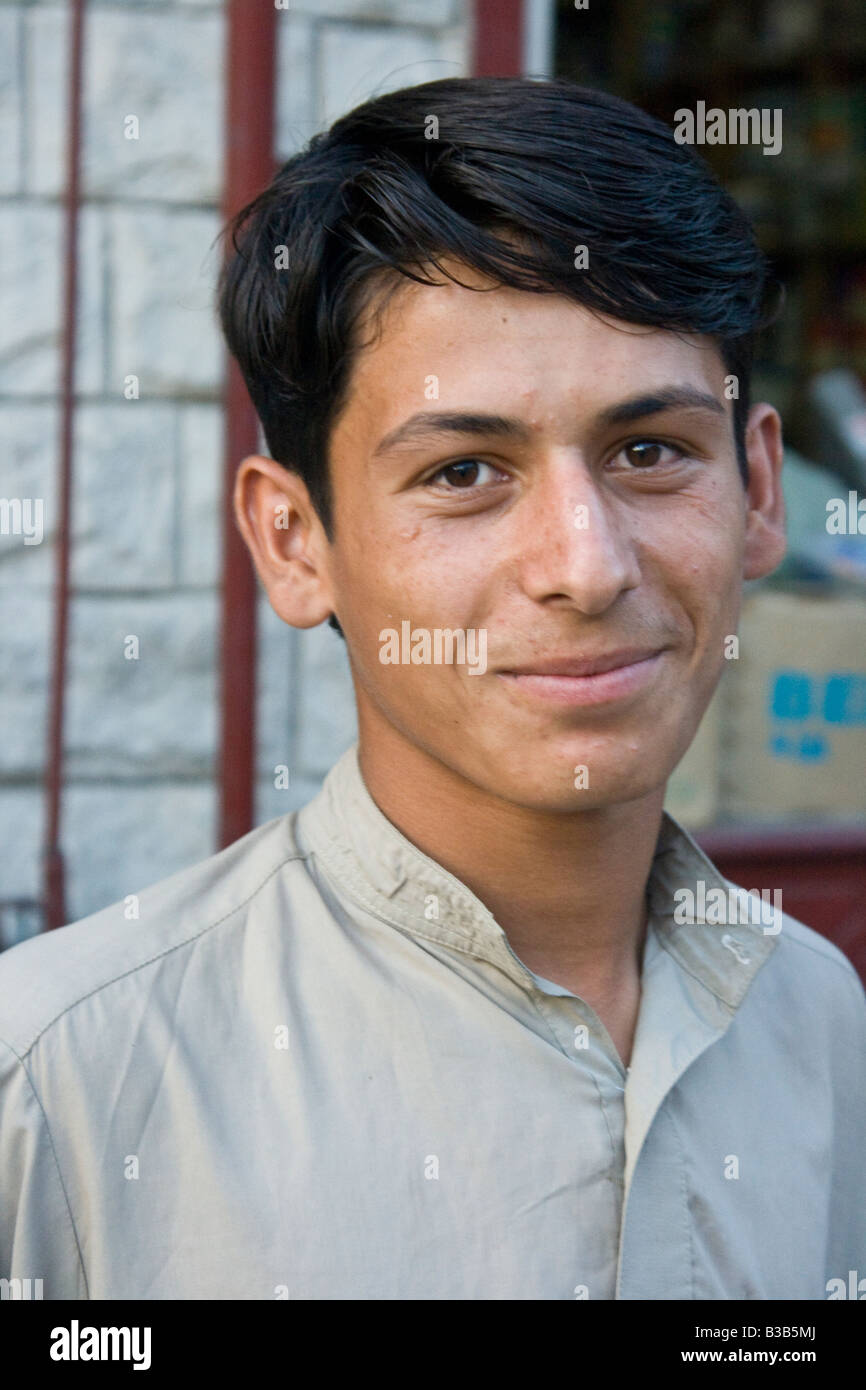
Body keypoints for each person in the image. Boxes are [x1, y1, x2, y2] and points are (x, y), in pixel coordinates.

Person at [1, 77, 863, 1301]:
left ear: (758, 491)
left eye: (648, 451)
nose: (584, 565)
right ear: (295, 541)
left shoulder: (817, 1020)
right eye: (464, 469)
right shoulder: (61, 1084)